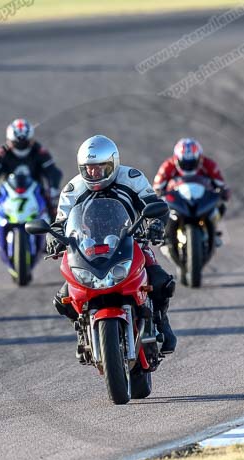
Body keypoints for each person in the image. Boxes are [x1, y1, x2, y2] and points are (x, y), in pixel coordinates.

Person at [47, 135, 177, 355]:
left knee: (161, 282)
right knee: (63, 300)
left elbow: (154, 204)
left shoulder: (132, 178)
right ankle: (81, 330)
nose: (94, 174)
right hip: (87, 247)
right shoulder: (72, 189)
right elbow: (60, 222)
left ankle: (161, 320)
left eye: (100, 168)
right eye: (88, 169)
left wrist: (155, 224)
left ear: (113, 163)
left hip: (131, 240)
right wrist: (53, 237)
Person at [0, 118, 63, 256]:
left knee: (54, 208)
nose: (21, 146)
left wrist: (53, 190)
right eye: (17, 143)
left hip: (36, 189)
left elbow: (53, 172)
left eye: (24, 143)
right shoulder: (1, 152)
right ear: (9, 140)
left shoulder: (40, 151)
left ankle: (52, 238)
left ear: (30, 139)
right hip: (8, 190)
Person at [153, 137, 231, 245]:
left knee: (221, 205)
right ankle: (165, 233)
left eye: (192, 163)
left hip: (202, 199)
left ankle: (213, 229)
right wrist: (158, 193)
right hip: (177, 199)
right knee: (160, 207)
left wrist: (223, 192)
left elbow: (221, 184)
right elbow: (156, 187)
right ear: (177, 159)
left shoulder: (209, 164)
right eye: (185, 163)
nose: (188, 166)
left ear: (199, 158)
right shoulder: (168, 165)